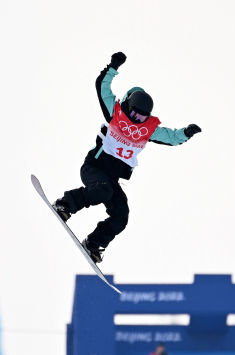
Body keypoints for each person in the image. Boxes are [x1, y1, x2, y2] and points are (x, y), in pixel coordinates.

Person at [53, 51, 202, 263]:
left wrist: (186, 133)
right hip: (94, 167)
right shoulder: (115, 113)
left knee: (121, 215)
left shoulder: (147, 130)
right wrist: (113, 67)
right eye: (133, 114)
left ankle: (94, 244)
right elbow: (102, 88)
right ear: (127, 106)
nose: (135, 120)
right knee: (102, 190)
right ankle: (65, 204)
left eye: (141, 117)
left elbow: (170, 136)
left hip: (111, 180)